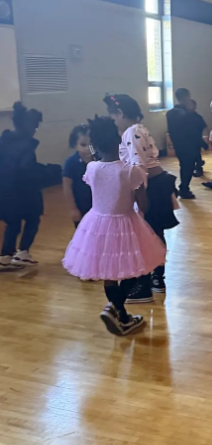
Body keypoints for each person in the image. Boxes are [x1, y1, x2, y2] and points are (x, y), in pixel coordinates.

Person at [62, 116, 166, 337]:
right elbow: (143, 204)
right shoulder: (130, 171)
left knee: (109, 272)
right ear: (119, 140)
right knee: (137, 269)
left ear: (95, 145)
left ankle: (122, 315)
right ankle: (115, 308)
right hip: (126, 222)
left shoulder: (92, 168)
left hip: (98, 224)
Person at [105, 93, 178, 300]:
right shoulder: (141, 128)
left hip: (151, 187)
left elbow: (139, 167)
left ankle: (144, 284)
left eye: (113, 117)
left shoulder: (130, 132)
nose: (114, 122)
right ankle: (157, 278)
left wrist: (140, 201)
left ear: (120, 113)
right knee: (155, 233)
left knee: (145, 236)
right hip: (159, 183)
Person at [0, 102, 46, 271]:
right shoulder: (26, 146)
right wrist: (45, 173)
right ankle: (23, 252)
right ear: (30, 127)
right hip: (23, 193)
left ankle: (5, 256)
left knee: (13, 223)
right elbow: (27, 171)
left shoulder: (4, 140)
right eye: (35, 126)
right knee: (33, 219)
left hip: (4, 191)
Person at [166, 88, 208, 198]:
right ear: (187, 97)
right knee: (187, 168)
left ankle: (183, 188)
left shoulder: (170, 114)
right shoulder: (188, 115)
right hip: (190, 146)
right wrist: (204, 144)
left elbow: (171, 131)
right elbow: (193, 132)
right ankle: (184, 189)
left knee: (184, 166)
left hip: (178, 145)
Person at [63, 124, 93, 227]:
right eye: (83, 145)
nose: (88, 148)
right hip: (81, 207)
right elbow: (67, 187)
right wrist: (73, 209)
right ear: (75, 145)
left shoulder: (100, 159)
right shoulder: (70, 163)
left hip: (99, 208)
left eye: (91, 144)